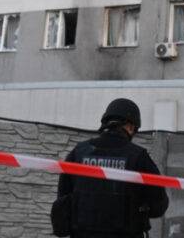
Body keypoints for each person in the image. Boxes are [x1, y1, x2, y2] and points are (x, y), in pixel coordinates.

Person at [54, 98, 168, 237]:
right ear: (130, 127)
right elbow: (158, 206)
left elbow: (62, 199)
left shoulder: (79, 152)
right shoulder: (138, 156)